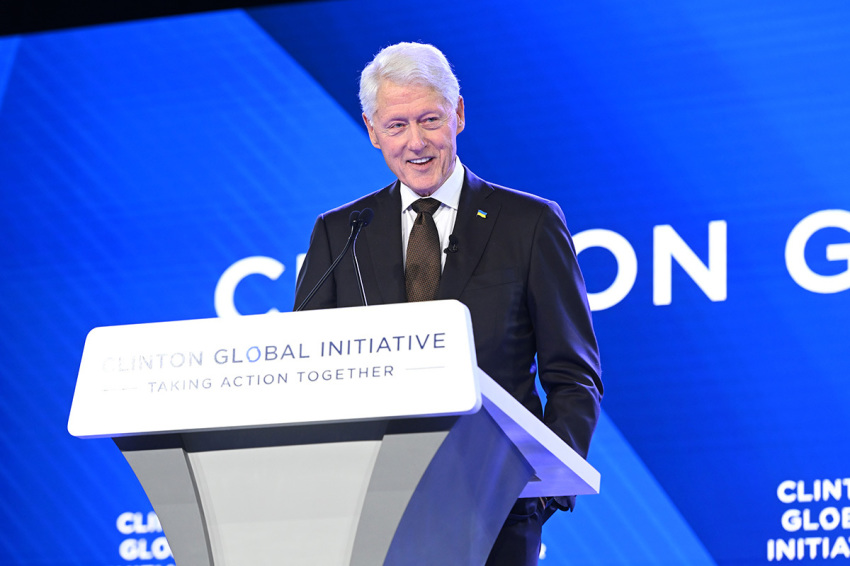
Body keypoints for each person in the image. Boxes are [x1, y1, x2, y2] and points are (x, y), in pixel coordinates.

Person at [293, 41, 602, 566]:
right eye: (396, 126)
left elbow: (574, 376)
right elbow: (308, 375)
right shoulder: (340, 233)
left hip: (496, 512)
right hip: (372, 515)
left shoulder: (528, 224)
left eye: (429, 120)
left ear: (458, 114)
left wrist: (541, 491)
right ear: (372, 130)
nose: (415, 142)